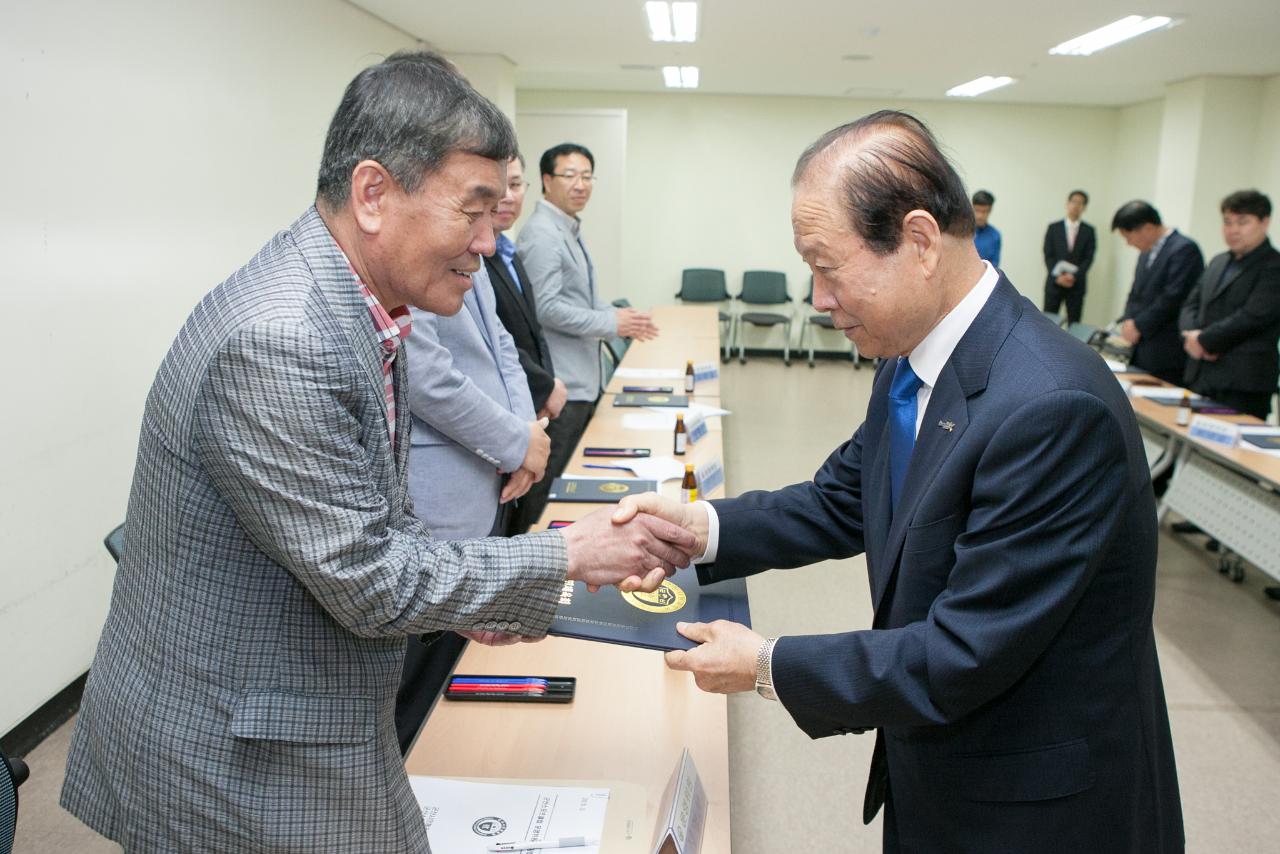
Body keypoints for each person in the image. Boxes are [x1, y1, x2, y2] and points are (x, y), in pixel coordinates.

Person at [60, 51, 697, 854]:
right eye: (472, 210)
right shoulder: (284, 340)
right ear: (373, 194)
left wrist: (479, 598)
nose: (489, 242)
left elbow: (377, 530)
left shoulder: (362, 305)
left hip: (305, 691)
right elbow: (370, 579)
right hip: (229, 751)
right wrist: (565, 554)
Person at [620, 111, 1183, 853]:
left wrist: (767, 665)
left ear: (919, 242)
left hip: (1037, 804)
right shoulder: (913, 355)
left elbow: (964, 651)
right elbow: (846, 498)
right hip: (942, 763)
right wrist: (703, 529)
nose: (817, 298)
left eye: (828, 265)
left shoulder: (1050, 407)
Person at [393, 259, 550, 753]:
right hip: (441, 494)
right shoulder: (418, 256)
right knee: (414, 683)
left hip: (489, 474)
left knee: (456, 673)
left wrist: (527, 436)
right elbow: (428, 377)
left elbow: (501, 345)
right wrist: (516, 443)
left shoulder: (471, 251)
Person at [517, 142, 658, 523]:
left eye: (587, 176)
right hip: (564, 382)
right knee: (547, 492)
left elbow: (577, 298)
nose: (581, 185)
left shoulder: (566, 227)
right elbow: (545, 309)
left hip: (581, 376)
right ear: (547, 180)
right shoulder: (544, 235)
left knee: (564, 483)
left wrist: (615, 314)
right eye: (570, 176)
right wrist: (612, 323)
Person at [486, 154, 569, 533]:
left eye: (517, 185)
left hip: (531, 410)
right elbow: (494, 345)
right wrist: (544, 386)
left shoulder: (507, 250)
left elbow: (532, 333)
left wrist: (546, 383)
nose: (508, 195)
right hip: (501, 422)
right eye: (499, 185)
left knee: (528, 519)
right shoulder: (472, 257)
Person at [1179, 189, 1280, 420]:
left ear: (1265, 222)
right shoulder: (1218, 261)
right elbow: (1190, 304)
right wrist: (1190, 336)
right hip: (1200, 375)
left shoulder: (1274, 266)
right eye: (1227, 222)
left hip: (1243, 382)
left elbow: (1253, 316)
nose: (1233, 230)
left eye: (1242, 222)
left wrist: (1204, 341)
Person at [1113, 201, 1205, 385]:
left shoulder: (1184, 249)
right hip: (1141, 347)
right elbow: (1135, 292)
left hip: (1166, 350)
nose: (1128, 243)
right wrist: (1129, 321)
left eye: (1128, 236)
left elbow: (1173, 296)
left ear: (1147, 228)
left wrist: (1139, 325)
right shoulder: (1145, 253)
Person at [1042, 190, 1097, 325]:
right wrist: (1058, 276)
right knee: (1047, 323)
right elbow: (1048, 254)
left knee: (1074, 323)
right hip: (1055, 283)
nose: (1076, 206)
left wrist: (1074, 276)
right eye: (1073, 202)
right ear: (1067, 203)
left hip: (1076, 285)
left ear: (1084, 207)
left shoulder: (1089, 231)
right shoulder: (1054, 228)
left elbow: (1089, 258)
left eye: (1080, 203)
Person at [970, 189, 1000, 265]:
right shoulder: (962, 232)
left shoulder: (995, 236)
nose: (980, 216)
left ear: (990, 210)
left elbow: (994, 266)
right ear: (972, 208)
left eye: (984, 211)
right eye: (977, 210)